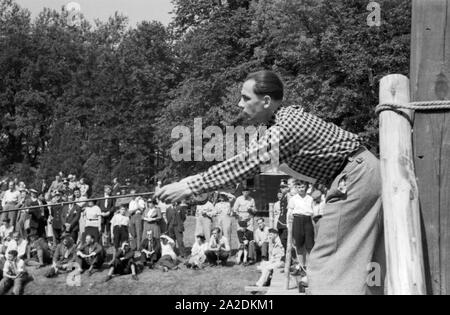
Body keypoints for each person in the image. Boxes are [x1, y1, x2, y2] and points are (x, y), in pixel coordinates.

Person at [156, 70, 383, 295]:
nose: (239, 104)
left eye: (246, 98)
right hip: (361, 173)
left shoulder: (284, 130)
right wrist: (189, 180)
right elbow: (243, 161)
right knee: (368, 259)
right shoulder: (282, 120)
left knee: (328, 260)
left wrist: (190, 186)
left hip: (355, 178)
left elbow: (244, 164)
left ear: (265, 101)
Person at [288, 180, 315, 272]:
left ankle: (309, 266)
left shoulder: (310, 198)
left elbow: (313, 212)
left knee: (309, 244)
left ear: (306, 187)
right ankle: (301, 266)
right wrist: (289, 226)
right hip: (297, 220)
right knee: (299, 244)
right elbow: (289, 213)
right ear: (296, 188)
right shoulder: (293, 199)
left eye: (302, 187)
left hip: (307, 220)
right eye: (299, 187)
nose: (301, 189)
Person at [276, 182, 290, 254]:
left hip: (286, 222)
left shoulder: (289, 196)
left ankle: (289, 257)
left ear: (288, 188)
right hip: (280, 222)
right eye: (281, 187)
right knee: (282, 240)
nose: (281, 189)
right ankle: (286, 255)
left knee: (285, 239)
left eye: (283, 187)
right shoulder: (283, 196)